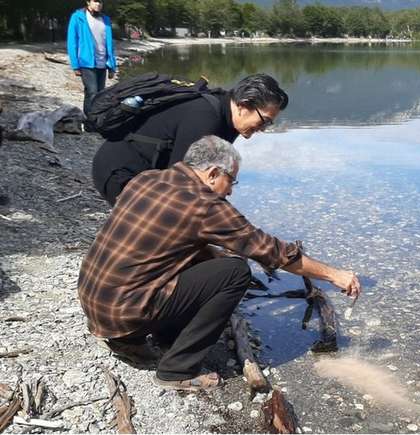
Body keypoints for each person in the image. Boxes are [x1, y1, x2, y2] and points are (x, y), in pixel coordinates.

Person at [78, 135, 362, 390]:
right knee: (236, 272)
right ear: (213, 173)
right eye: (232, 181)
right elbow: (272, 251)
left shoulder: (148, 178)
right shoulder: (205, 205)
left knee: (214, 259)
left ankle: (142, 339)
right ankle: (176, 370)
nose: (231, 191)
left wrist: (213, 254)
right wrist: (333, 274)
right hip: (126, 313)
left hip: (96, 302)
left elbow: (168, 246)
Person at [91, 73, 285, 207]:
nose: (262, 128)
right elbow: (184, 184)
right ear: (244, 105)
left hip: (147, 174)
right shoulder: (206, 118)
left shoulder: (228, 116)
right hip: (120, 174)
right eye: (264, 121)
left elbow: (211, 181)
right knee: (173, 218)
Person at [67, 0, 117, 116]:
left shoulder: (106, 20)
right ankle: (90, 121)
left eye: (101, 2)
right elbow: (72, 42)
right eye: (95, 1)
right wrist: (75, 65)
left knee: (100, 94)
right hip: (86, 62)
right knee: (92, 92)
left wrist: (112, 66)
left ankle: (95, 119)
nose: (98, 4)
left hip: (102, 63)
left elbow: (110, 44)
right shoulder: (78, 17)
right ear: (88, 2)